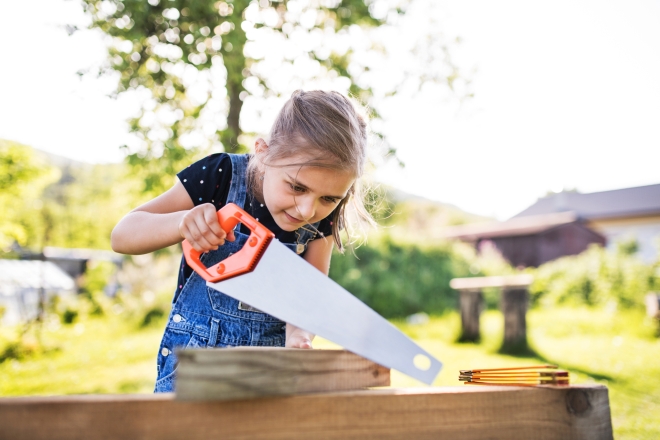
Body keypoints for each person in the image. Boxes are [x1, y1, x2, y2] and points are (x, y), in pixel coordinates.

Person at [111, 90, 374, 392]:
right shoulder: (220, 176)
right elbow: (123, 235)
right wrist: (181, 223)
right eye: (297, 187)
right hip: (196, 365)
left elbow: (310, 293)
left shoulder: (320, 218)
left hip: (268, 372)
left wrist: (300, 334)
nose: (307, 210)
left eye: (328, 198)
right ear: (263, 151)